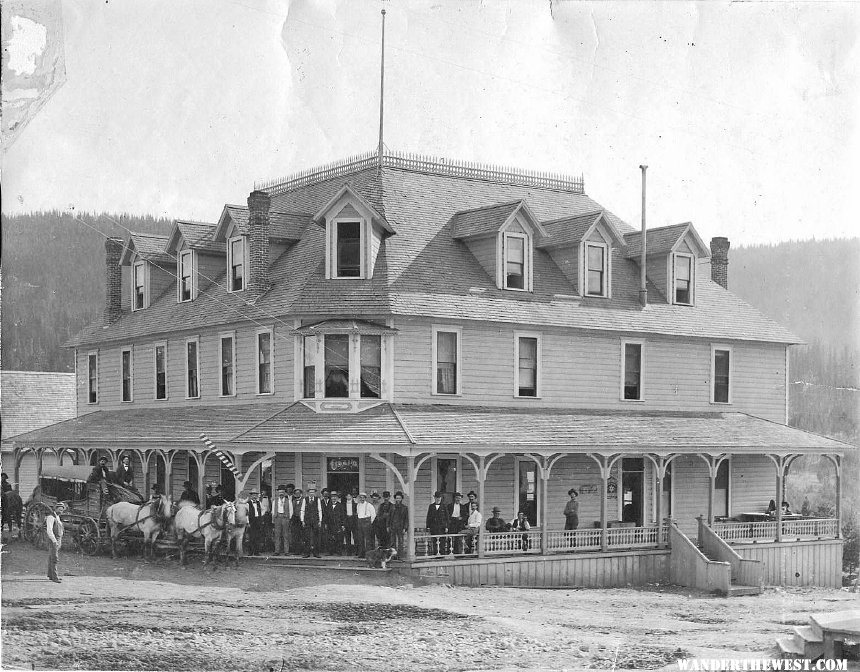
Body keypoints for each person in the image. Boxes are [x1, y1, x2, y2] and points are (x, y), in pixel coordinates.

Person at [45, 501, 68, 583]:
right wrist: (54, 541)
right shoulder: (51, 517)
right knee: (54, 558)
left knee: (52, 557)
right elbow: (49, 531)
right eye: (59, 510)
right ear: (55, 509)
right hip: (53, 540)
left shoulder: (57, 517)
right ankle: (55, 577)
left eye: (62, 510)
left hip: (58, 539)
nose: (61, 512)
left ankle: (50, 575)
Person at [300, 485, 323, 558]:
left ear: (315, 493)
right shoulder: (305, 500)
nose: (311, 494)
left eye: (313, 492)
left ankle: (316, 553)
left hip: (315, 520)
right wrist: (302, 520)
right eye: (310, 492)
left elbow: (319, 510)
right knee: (307, 536)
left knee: (316, 537)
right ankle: (307, 553)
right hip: (307, 520)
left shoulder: (317, 499)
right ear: (308, 493)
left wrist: (320, 520)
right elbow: (302, 510)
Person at [425, 491, 449, 556]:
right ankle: (436, 554)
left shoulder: (444, 506)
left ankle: (442, 554)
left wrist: (446, 527)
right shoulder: (431, 506)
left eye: (439, 497)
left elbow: (447, 517)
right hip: (434, 526)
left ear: (441, 498)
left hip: (442, 527)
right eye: (437, 497)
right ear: (434, 498)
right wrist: (428, 526)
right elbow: (429, 517)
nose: (438, 499)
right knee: (434, 541)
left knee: (442, 541)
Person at [272, 485, 293, 555]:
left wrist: (288, 518)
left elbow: (291, 511)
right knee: (277, 535)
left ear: (285, 493)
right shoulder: (275, 501)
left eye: (283, 492)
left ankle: (286, 551)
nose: (281, 493)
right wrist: (274, 518)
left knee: (286, 535)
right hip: (277, 518)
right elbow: (273, 510)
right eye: (280, 492)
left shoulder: (288, 501)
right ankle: (277, 551)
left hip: (285, 518)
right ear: (278, 493)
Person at [355, 492, 375, 558]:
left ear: (365, 498)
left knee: (368, 539)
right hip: (360, 521)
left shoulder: (369, 505)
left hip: (367, 522)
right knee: (360, 538)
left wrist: (369, 522)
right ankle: (361, 553)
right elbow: (358, 513)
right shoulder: (358, 505)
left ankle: (368, 554)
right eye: (360, 497)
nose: (362, 499)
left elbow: (373, 515)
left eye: (363, 497)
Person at [390, 491, 409, 558]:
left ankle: (400, 555)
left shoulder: (404, 508)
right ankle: (393, 555)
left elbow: (406, 519)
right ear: (395, 499)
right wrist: (388, 526)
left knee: (400, 542)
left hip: (400, 526)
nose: (398, 499)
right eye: (397, 498)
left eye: (399, 498)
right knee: (392, 542)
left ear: (401, 499)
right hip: (393, 526)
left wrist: (405, 528)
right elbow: (389, 517)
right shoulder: (392, 507)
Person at [247, 490, 265, 556]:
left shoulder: (259, 503)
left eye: (256, 495)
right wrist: (248, 522)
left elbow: (263, 509)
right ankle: (250, 552)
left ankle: (257, 552)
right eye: (253, 495)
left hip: (258, 520)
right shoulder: (247, 503)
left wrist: (260, 515)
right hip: (251, 521)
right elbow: (246, 514)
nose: (254, 496)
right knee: (251, 537)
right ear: (251, 496)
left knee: (257, 536)